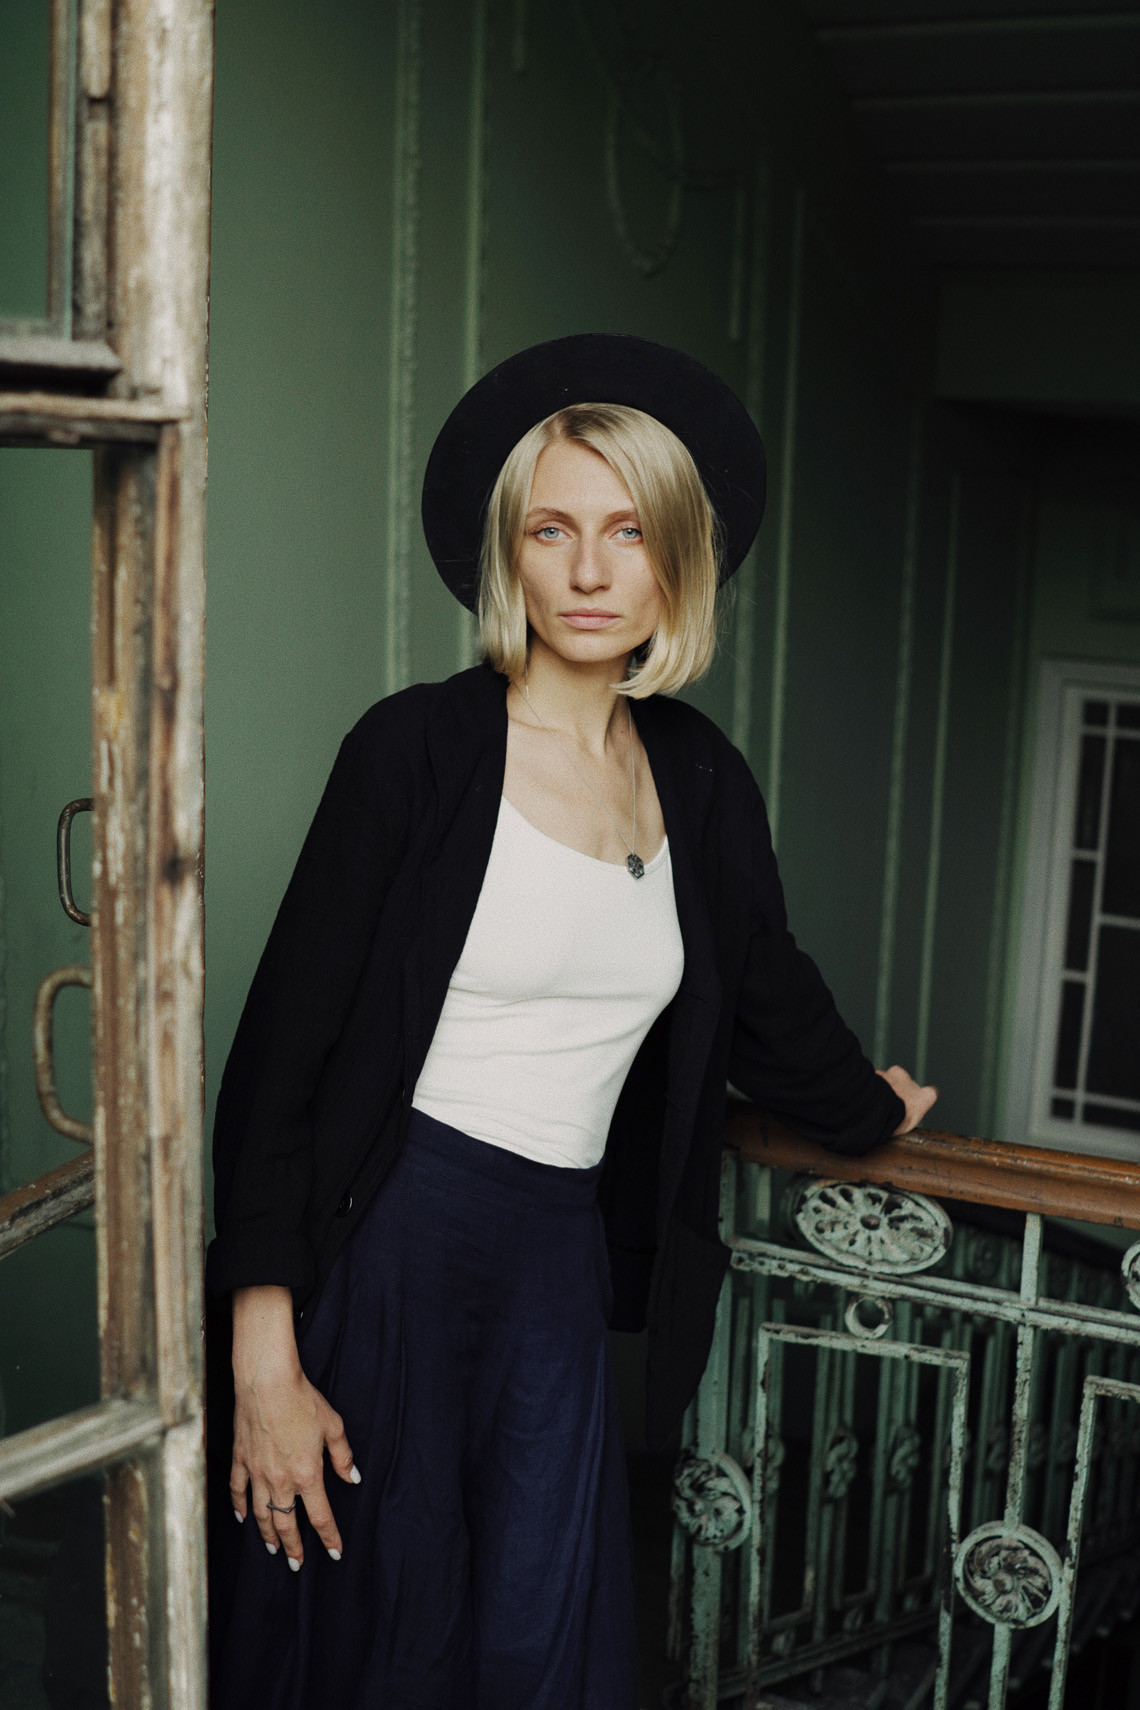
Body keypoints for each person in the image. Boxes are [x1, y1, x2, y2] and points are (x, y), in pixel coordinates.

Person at [205, 333, 937, 1710]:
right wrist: (264, 1360)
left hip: (556, 1265)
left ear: (677, 563)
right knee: (381, 1633)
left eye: (628, 532)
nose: (590, 571)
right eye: (553, 530)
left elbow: (767, 989)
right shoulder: (413, 751)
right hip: (393, 1245)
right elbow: (278, 1065)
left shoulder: (700, 779)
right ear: (513, 556)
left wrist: (869, 1107)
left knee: (540, 1641)